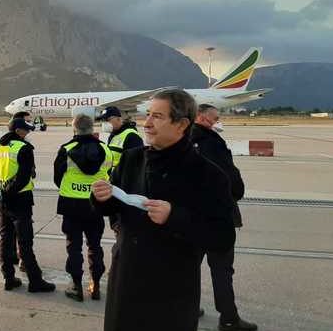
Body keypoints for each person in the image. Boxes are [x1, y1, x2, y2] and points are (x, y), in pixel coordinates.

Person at [90, 89, 235, 331]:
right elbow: (116, 209)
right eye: (148, 115)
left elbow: (222, 236)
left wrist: (175, 216)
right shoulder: (132, 160)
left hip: (171, 289)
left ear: (181, 124)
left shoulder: (207, 174)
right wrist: (102, 199)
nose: (146, 123)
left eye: (157, 116)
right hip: (127, 280)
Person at [192, 104, 257, 331]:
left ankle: (188, 306)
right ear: (201, 116)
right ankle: (228, 317)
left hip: (192, 215)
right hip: (218, 214)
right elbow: (226, 176)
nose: (217, 122)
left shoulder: (184, 140)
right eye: (215, 118)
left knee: (190, 265)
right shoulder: (211, 142)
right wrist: (236, 193)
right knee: (221, 268)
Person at [0, 118, 56, 293]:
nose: (28, 133)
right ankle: (35, 281)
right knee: (25, 241)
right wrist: (8, 192)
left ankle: (8, 278)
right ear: (18, 131)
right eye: (26, 130)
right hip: (20, 200)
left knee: (5, 239)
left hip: (2, 201)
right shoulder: (24, 149)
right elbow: (24, 177)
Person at [54, 114, 112, 302]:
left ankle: (76, 286)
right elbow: (110, 174)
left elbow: (58, 177)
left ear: (74, 129)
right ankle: (95, 284)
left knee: (74, 247)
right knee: (95, 245)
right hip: (96, 205)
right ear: (92, 128)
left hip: (71, 205)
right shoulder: (105, 149)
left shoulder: (66, 149)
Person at [96, 106, 144, 235]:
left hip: (124, 189)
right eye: (103, 120)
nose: (105, 123)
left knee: (123, 230)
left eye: (108, 120)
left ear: (118, 119)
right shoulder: (113, 135)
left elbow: (137, 165)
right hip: (113, 187)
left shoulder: (131, 136)